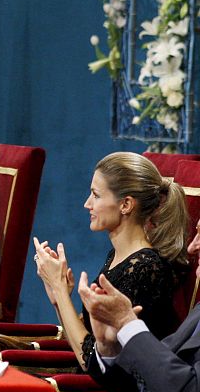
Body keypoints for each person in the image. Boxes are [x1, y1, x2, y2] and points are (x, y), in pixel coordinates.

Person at [33, 152, 187, 370]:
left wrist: (59, 289)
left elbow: (95, 364)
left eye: (96, 195)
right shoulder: (117, 257)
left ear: (125, 204)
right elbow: (88, 343)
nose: (87, 204)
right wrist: (59, 298)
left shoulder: (146, 267)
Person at [79, 218, 200, 392]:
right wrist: (109, 346)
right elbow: (136, 389)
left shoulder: (146, 266)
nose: (192, 247)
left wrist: (127, 323)